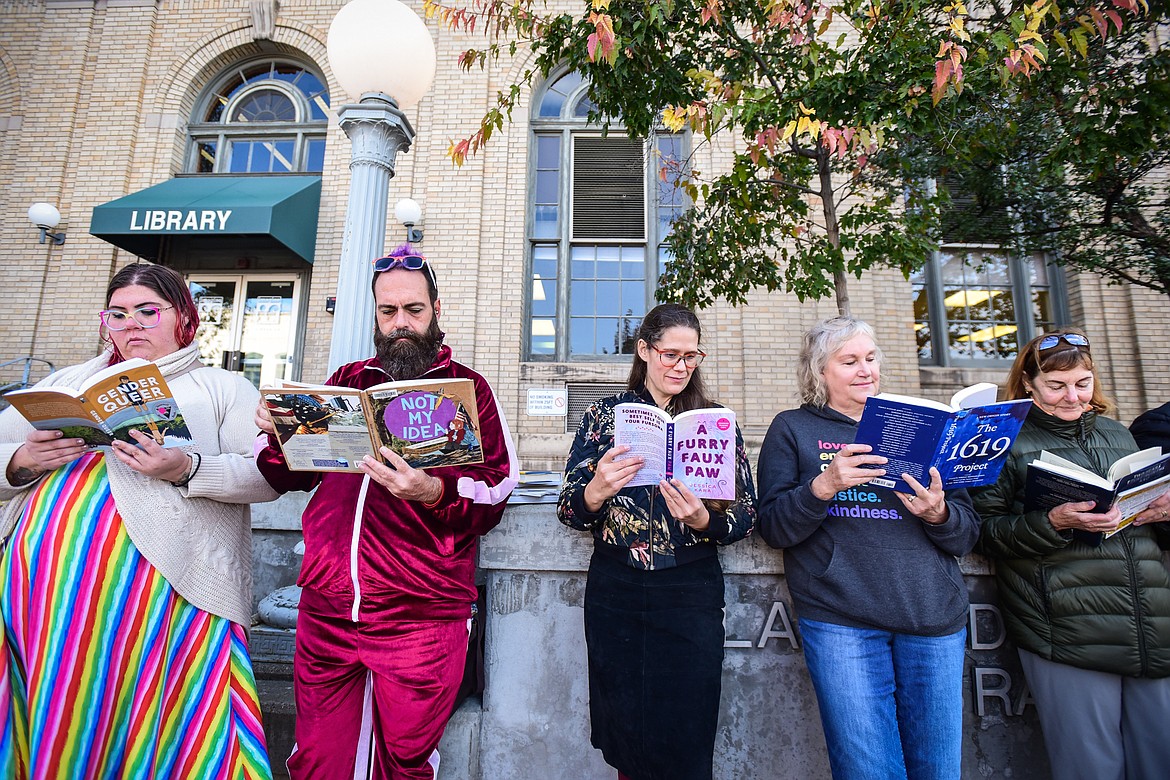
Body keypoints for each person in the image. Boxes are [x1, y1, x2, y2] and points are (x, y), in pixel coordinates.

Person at [0, 263, 278, 778]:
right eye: (119, 314)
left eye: (148, 311)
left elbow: (265, 476)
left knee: (163, 713)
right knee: (62, 703)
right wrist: (21, 461)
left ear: (184, 319)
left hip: (165, 591)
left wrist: (187, 467)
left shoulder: (222, 387)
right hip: (45, 593)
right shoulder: (64, 382)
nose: (132, 325)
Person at [255, 245, 518, 780]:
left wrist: (431, 491)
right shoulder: (347, 379)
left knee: (406, 762)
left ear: (436, 310)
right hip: (327, 608)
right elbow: (287, 475)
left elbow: (498, 488)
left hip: (420, 616)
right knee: (316, 760)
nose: (401, 323)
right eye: (388, 311)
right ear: (376, 314)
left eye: (413, 310)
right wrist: (277, 433)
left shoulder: (468, 390)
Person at [755, 315, 980, 780]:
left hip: (932, 615)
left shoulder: (925, 426)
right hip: (842, 620)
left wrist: (938, 512)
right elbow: (773, 527)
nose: (865, 370)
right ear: (821, 371)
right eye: (849, 361)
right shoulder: (792, 428)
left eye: (871, 358)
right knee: (868, 770)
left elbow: (965, 533)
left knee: (938, 769)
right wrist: (824, 485)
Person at [557, 303, 756, 780]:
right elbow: (568, 509)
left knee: (686, 734)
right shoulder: (605, 416)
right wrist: (595, 491)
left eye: (691, 356)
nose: (681, 367)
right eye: (670, 354)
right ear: (644, 350)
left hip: (688, 591)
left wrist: (705, 519)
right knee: (625, 731)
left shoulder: (715, 421)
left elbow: (747, 514)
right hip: (616, 590)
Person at [971, 329, 1170, 779]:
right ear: (1027, 383)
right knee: (1091, 766)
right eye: (1056, 386)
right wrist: (1055, 522)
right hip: (1066, 626)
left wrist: (1162, 512)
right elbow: (984, 533)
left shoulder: (1119, 433)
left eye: (1081, 384)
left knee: (1160, 761)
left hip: (1151, 627)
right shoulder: (1003, 440)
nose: (1072, 397)